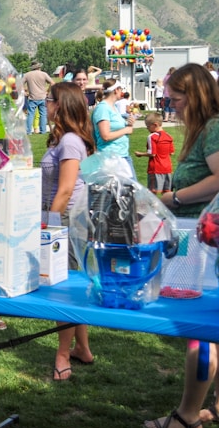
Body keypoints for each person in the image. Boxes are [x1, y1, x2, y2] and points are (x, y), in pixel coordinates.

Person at [145, 63, 219, 428]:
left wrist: (174, 197)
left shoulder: (217, 128)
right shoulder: (210, 126)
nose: (172, 107)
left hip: (204, 237)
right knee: (217, 324)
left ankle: (188, 416)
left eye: (175, 99)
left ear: (195, 95)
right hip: (204, 233)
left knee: (198, 326)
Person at [40, 83, 96, 381]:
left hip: (67, 225)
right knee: (74, 286)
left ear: (59, 104)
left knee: (65, 292)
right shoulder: (63, 139)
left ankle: (62, 355)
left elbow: (65, 189)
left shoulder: (71, 142)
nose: (44, 104)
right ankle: (82, 348)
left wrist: (46, 224)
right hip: (64, 222)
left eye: (48, 100)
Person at [92, 79, 135, 173]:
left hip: (121, 155)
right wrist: (126, 130)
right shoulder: (103, 108)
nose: (122, 92)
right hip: (111, 159)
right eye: (121, 89)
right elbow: (105, 136)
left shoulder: (114, 107)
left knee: (130, 187)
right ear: (116, 90)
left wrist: (128, 124)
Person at [134, 113, 175, 196]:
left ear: (155, 125)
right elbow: (172, 152)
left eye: (148, 126)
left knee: (152, 193)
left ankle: (152, 208)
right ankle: (167, 208)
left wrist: (140, 154)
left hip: (155, 168)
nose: (147, 128)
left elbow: (152, 154)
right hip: (167, 168)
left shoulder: (152, 136)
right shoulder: (168, 136)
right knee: (167, 192)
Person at [23, 61, 54, 134]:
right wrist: (48, 91)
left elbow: (19, 84)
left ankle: (28, 131)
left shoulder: (27, 75)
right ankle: (43, 131)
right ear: (39, 67)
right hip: (42, 97)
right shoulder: (44, 74)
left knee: (30, 115)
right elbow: (52, 83)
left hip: (32, 97)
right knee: (43, 114)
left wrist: (24, 92)